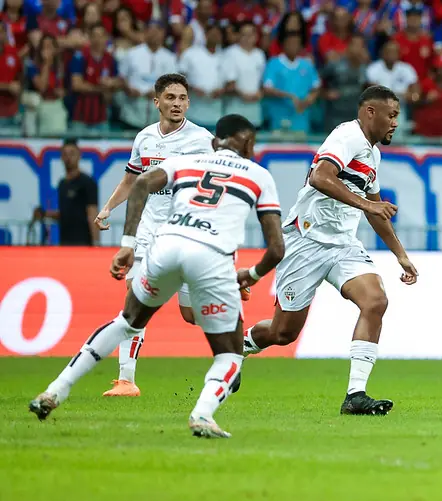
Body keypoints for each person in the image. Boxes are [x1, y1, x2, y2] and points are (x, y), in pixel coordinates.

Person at [29, 114, 285, 439]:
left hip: (166, 246)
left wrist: (127, 244)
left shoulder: (185, 161)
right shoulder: (259, 175)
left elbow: (140, 184)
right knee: (229, 353)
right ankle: (202, 414)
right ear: (248, 145)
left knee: (127, 322)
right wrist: (252, 274)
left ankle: (55, 390)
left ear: (214, 142)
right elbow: (277, 248)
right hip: (212, 258)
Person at [241, 85, 419, 416]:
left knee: (375, 301)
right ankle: (238, 347)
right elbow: (320, 177)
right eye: (392, 115)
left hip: (343, 244)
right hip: (305, 240)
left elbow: (375, 209)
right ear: (370, 112)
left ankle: (355, 395)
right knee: (283, 333)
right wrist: (367, 204)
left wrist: (400, 254)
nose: (396, 122)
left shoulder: (373, 154)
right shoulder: (346, 136)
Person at [93, 73, 215, 398]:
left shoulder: (202, 140)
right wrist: (107, 208)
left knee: (191, 315)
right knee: (134, 297)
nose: (177, 104)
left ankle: (232, 318)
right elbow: (131, 181)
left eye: (182, 98)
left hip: (185, 233)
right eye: (171, 98)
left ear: (188, 103)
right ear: (156, 101)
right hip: (147, 232)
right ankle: (126, 380)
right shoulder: (144, 138)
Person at [34, 139, 99, 246]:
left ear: (79, 155)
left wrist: (96, 242)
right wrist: (45, 214)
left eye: (72, 154)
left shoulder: (87, 182)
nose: (68, 158)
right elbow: (65, 214)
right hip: (64, 242)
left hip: (83, 242)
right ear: (61, 157)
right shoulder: (62, 184)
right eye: (65, 154)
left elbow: (93, 213)